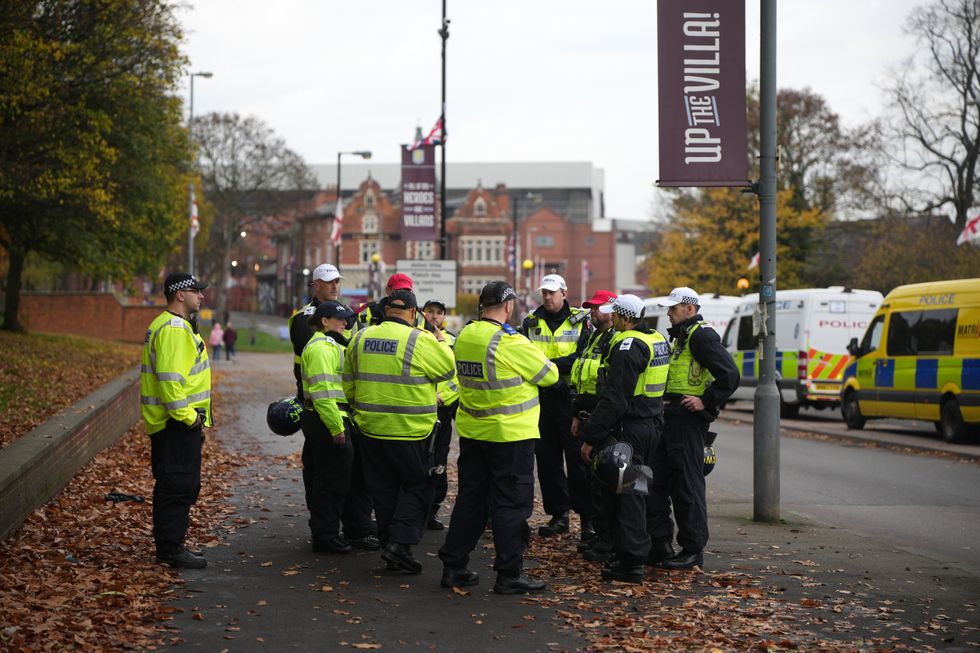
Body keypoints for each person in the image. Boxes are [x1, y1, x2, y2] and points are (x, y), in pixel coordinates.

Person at [439, 281, 559, 594]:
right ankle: (509, 574)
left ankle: (454, 566)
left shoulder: (466, 335)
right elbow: (550, 374)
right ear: (508, 306)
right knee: (511, 505)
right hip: (510, 436)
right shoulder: (509, 341)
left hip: (474, 432)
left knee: (471, 500)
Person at [343, 289, 456, 574]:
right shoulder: (419, 339)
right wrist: (440, 339)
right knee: (419, 486)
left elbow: (349, 384)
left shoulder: (360, 338)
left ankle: (388, 544)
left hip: (370, 430)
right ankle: (401, 545)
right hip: (410, 432)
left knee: (383, 490)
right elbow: (447, 369)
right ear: (413, 313)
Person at [578, 294, 670, 583]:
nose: (612, 320)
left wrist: (592, 435)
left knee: (629, 493)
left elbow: (615, 398)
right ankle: (652, 546)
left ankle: (630, 561)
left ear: (625, 317)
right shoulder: (657, 338)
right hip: (652, 424)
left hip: (631, 429)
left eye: (615, 315)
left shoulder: (628, 345)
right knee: (643, 489)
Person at [649, 287, 740, 570]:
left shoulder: (701, 335)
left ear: (689, 309)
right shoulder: (683, 336)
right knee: (655, 482)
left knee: (687, 485)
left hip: (688, 422)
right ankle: (661, 543)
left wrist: (705, 401)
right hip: (671, 418)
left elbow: (730, 374)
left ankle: (692, 549)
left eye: (673, 309)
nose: (668, 313)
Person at [289, 263, 377, 550]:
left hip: (337, 412)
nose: (335, 286)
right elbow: (324, 386)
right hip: (323, 412)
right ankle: (325, 531)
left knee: (345, 473)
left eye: (338, 281)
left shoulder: (337, 322)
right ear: (315, 285)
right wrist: (335, 424)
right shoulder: (310, 327)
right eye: (329, 282)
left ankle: (350, 527)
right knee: (327, 475)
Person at [139, 272, 213, 569]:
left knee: (175, 484)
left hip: (172, 424)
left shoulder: (166, 324)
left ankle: (171, 545)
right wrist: (189, 418)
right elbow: (171, 382)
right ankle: (170, 549)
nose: (202, 296)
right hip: (177, 425)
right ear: (180, 294)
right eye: (196, 291)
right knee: (178, 485)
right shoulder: (173, 328)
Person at [520, 274, 593, 540]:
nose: (548, 297)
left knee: (577, 461)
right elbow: (523, 356)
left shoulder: (581, 320)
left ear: (564, 292)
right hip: (542, 399)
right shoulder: (530, 322)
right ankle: (559, 515)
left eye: (552, 292)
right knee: (547, 460)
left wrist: (548, 368)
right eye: (545, 293)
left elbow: (582, 355)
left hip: (571, 398)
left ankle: (587, 519)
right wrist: (549, 375)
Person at [300, 300, 358, 554]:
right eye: (340, 319)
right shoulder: (322, 348)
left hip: (324, 418)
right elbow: (323, 392)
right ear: (325, 321)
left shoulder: (326, 345)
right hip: (327, 420)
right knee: (331, 481)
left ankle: (325, 531)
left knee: (327, 478)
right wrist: (337, 428)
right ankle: (326, 537)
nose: (345, 323)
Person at [569, 290, 618, 561]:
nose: (592, 312)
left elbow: (608, 387)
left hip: (603, 419)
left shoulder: (614, 340)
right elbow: (581, 378)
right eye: (591, 308)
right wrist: (577, 413)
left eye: (598, 308)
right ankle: (599, 535)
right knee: (592, 482)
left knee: (604, 482)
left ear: (612, 311)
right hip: (588, 414)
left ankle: (606, 539)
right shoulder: (593, 336)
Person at [421, 298, 459, 531]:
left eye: (439, 313)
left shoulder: (452, 342)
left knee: (439, 460)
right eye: (430, 312)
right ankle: (416, 508)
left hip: (443, 409)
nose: (434, 317)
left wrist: (446, 396)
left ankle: (432, 508)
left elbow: (458, 377)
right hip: (420, 409)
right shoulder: (416, 338)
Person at [359, 273, 437, 334]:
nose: (403, 295)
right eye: (399, 291)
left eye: (406, 291)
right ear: (387, 290)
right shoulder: (367, 312)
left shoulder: (420, 317)